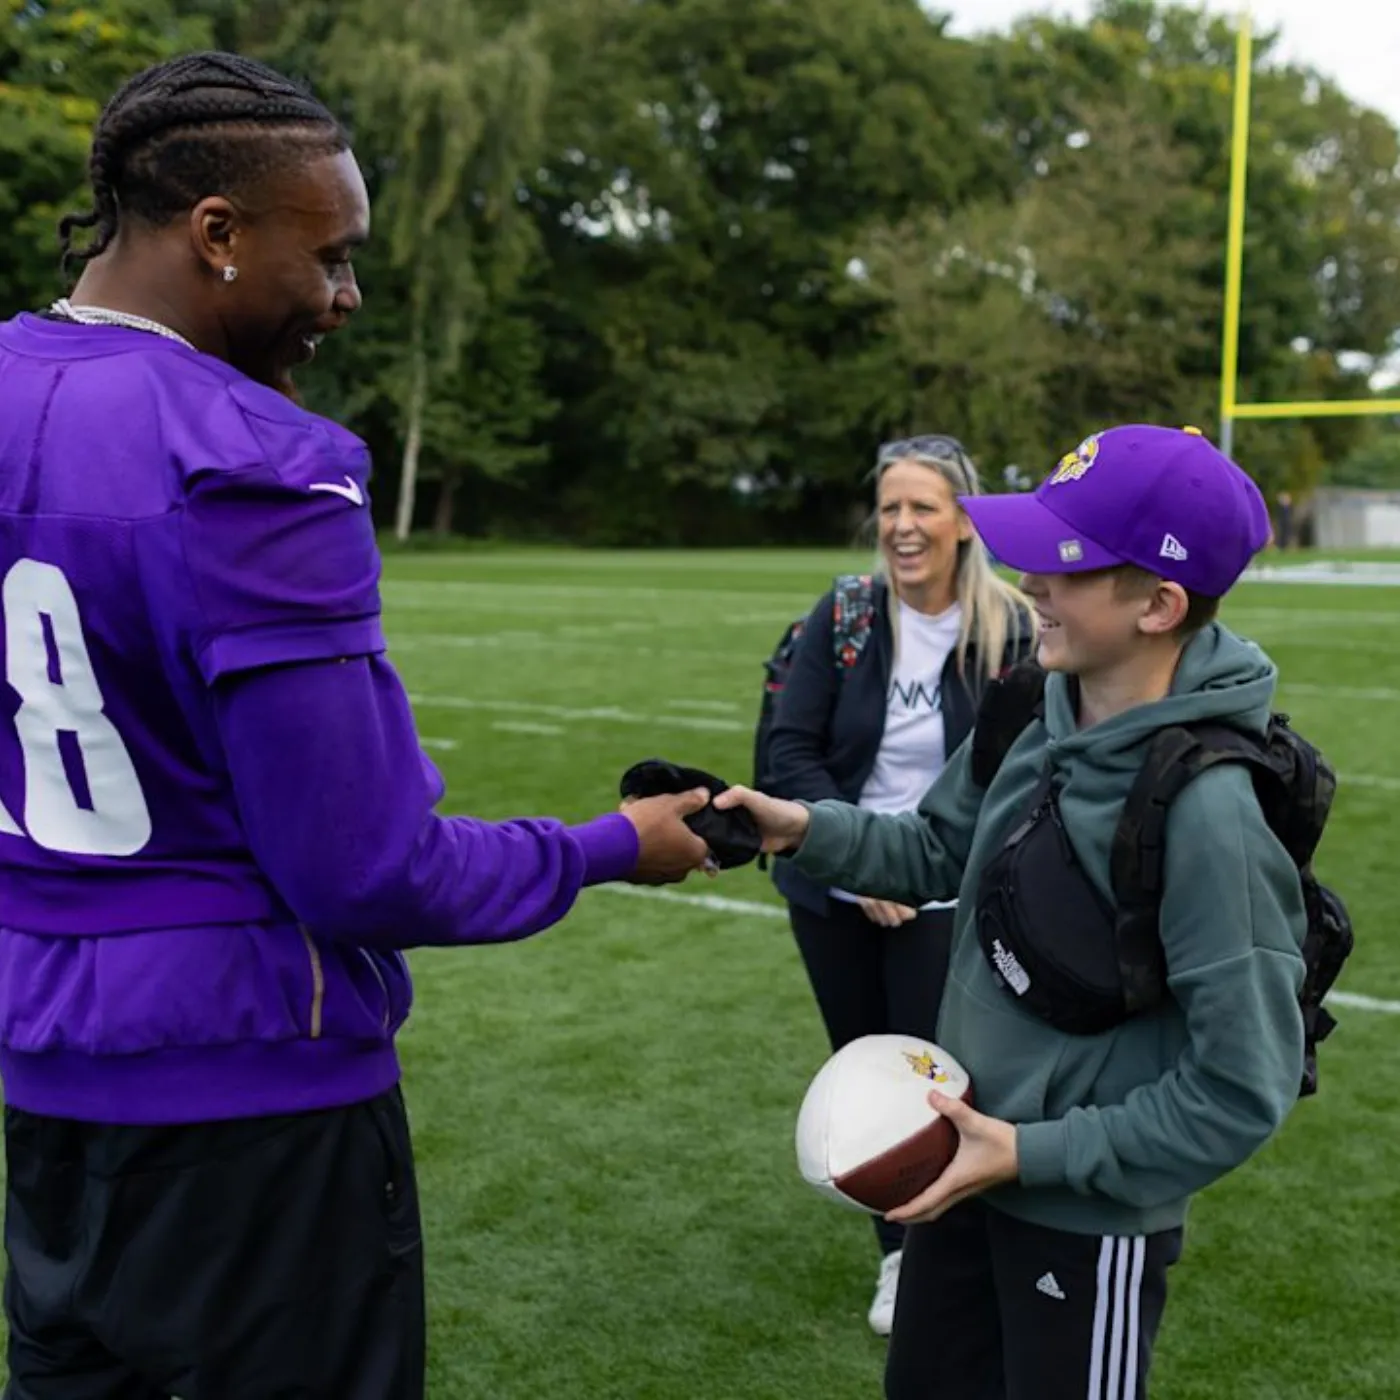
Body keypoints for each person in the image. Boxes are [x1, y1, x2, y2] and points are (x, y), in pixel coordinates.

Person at [0, 52, 713, 1400]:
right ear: (216, 232)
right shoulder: (252, 459)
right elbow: (366, 869)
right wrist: (611, 845)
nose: (348, 295)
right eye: (329, 255)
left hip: (46, 1088)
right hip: (252, 1113)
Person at [716, 425, 1305, 1399]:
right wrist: (795, 826)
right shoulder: (1040, 708)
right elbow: (931, 848)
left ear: (1157, 603)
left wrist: (1033, 1150)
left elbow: (1240, 1087)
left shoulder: (1209, 813)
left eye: (1063, 564)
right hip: (959, 1173)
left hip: (1081, 1225)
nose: (1027, 579)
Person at [763, 434, 1034, 1335]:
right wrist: (861, 855)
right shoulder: (843, 616)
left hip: (948, 892)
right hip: (839, 887)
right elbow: (789, 751)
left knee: (935, 1080)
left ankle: (945, 1246)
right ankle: (899, 1257)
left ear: (963, 520)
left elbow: (1022, 772)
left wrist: (915, 863)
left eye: (923, 507)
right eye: (890, 508)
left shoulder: (1013, 628)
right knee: (863, 1067)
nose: (903, 526)